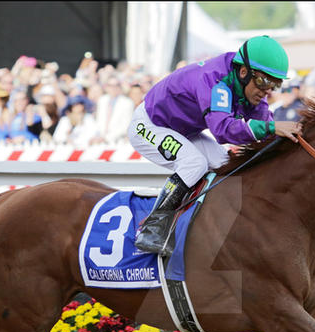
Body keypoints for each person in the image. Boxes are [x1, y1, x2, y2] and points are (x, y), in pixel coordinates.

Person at [128, 35, 302, 255]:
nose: (267, 91)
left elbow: (266, 130)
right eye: (264, 82)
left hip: (184, 131)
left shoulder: (251, 88)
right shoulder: (216, 81)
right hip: (149, 125)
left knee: (226, 164)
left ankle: (208, 227)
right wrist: (272, 128)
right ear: (243, 72)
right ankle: (152, 228)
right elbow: (222, 130)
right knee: (194, 163)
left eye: (274, 84)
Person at [91, 76, 135, 145]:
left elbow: (126, 125)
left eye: (116, 85)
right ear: (106, 87)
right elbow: (99, 120)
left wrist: (107, 138)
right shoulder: (102, 100)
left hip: (117, 141)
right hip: (99, 141)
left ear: (119, 87)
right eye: (110, 85)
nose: (113, 88)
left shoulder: (127, 102)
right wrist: (97, 136)